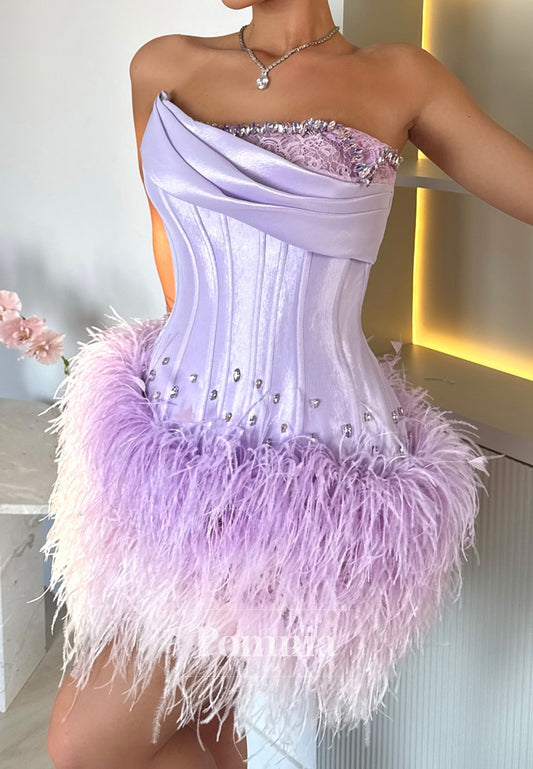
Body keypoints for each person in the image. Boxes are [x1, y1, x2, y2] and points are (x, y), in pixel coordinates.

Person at [45, 1, 533, 768]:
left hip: (309, 475)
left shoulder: (400, 77)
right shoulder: (160, 65)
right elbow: (169, 254)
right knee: (203, 728)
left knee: (82, 742)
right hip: (167, 455)